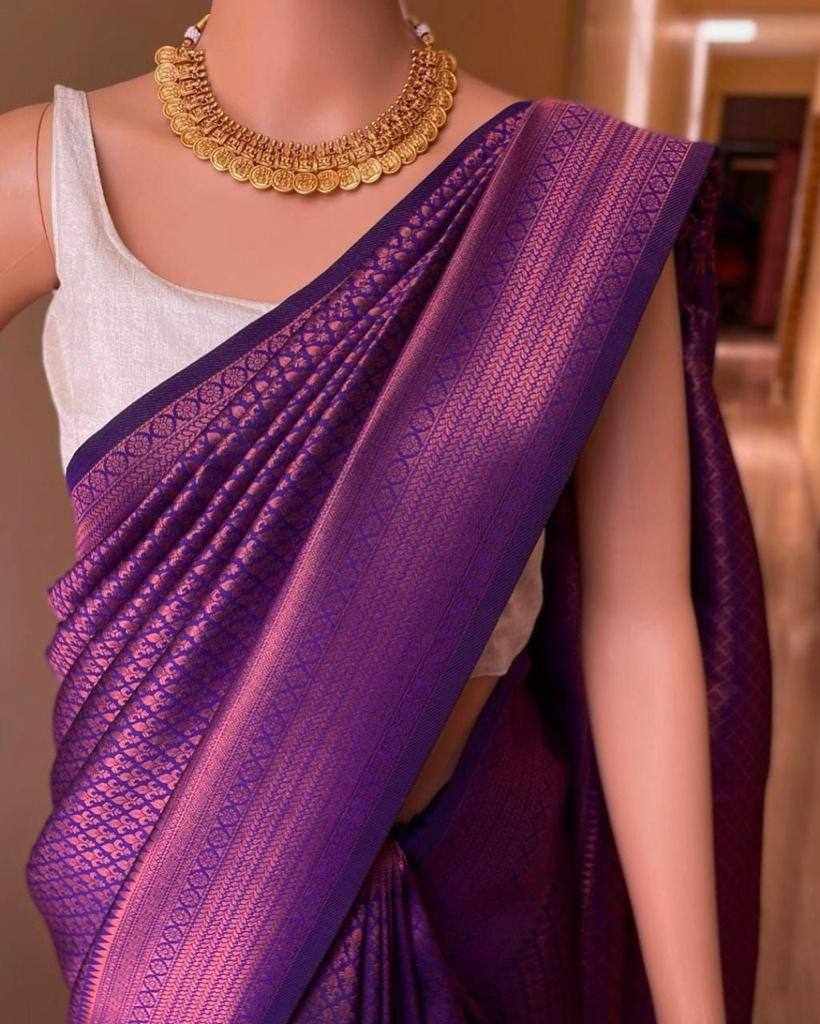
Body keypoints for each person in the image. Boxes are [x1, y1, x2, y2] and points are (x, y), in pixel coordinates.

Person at [0, 2, 771, 1022]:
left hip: (481, 897)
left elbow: (641, 621)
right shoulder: (44, 170)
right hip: (176, 926)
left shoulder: (576, 207)